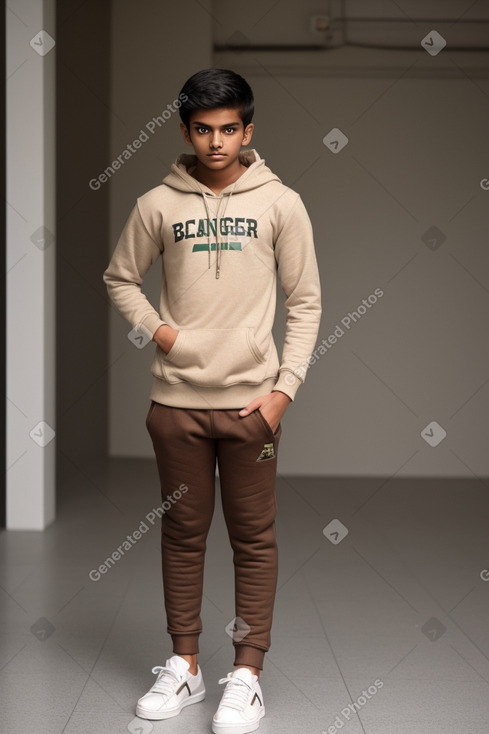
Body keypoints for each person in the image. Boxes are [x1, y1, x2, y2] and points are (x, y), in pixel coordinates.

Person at [103, 67, 321, 734]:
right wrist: (163, 331)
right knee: (182, 535)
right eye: (203, 129)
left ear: (247, 131)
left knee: (253, 540)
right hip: (175, 406)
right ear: (185, 131)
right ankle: (185, 666)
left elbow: (306, 303)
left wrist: (282, 393)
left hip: (252, 409)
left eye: (229, 129)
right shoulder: (155, 204)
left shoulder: (281, 203)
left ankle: (247, 674)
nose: (216, 142)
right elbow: (119, 278)